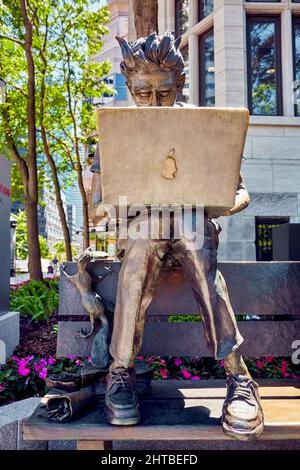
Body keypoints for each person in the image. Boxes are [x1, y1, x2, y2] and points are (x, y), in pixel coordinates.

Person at [91, 31, 264, 441]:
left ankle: (238, 375)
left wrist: (207, 204)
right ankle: (121, 372)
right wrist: (124, 207)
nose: (153, 103)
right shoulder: (117, 129)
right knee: (152, 227)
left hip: (192, 230)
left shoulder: (202, 128)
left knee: (189, 230)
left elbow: (240, 192)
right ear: (130, 88)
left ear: (180, 85)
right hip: (139, 233)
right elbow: (99, 204)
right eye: (143, 94)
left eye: (164, 94)